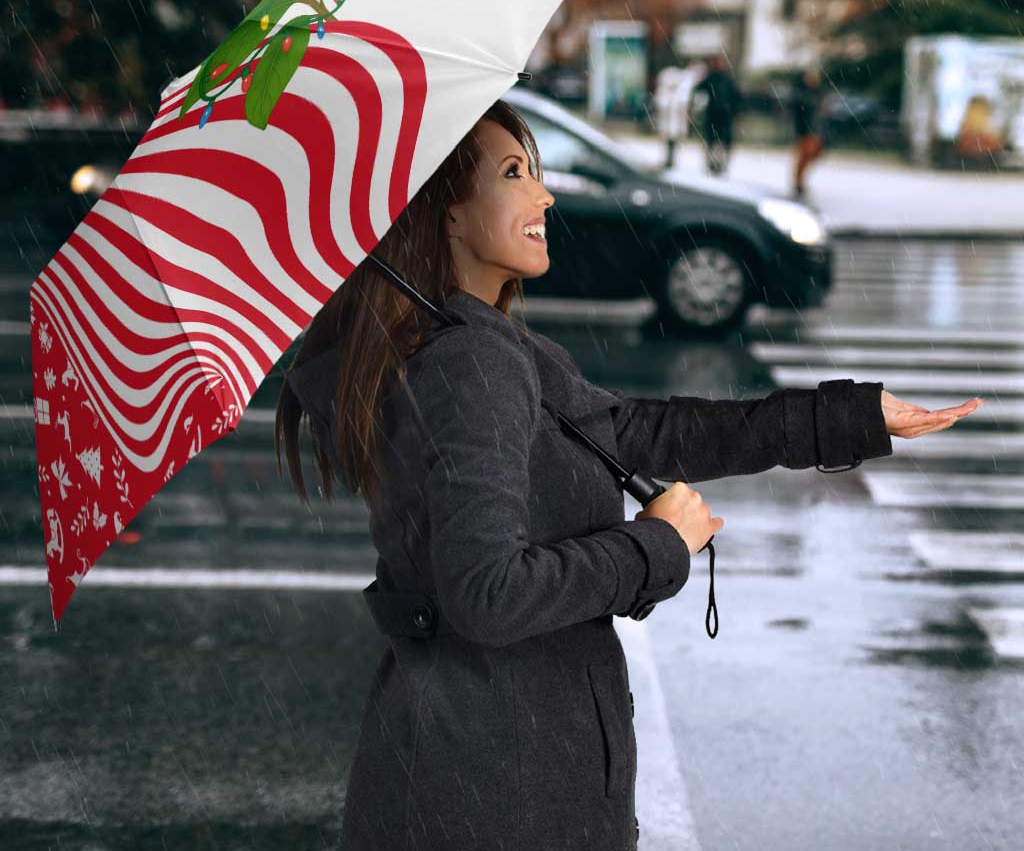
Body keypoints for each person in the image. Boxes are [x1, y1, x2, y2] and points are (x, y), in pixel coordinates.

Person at [275, 99, 980, 851]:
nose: (544, 195)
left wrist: (850, 418)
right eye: (514, 173)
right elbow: (487, 594)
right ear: (446, 214)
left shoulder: (476, 345)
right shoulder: (470, 363)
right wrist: (655, 546)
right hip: (499, 789)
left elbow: (641, 432)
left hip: (480, 767)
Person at [692, 53, 742, 176]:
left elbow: (736, 97)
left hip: (723, 115)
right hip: (715, 115)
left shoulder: (725, 79)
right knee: (713, 141)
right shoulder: (712, 78)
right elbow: (698, 91)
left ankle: (719, 164)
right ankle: (713, 164)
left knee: (720, 142)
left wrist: (735, 111)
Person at [790, 66, 826, 197]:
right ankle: (798, 182)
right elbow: (799, 113)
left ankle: (799, 181)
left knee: (812, 155)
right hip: (805, 130)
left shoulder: (817, 93)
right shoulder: (802, 94)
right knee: (804, 156)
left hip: (814, 130)